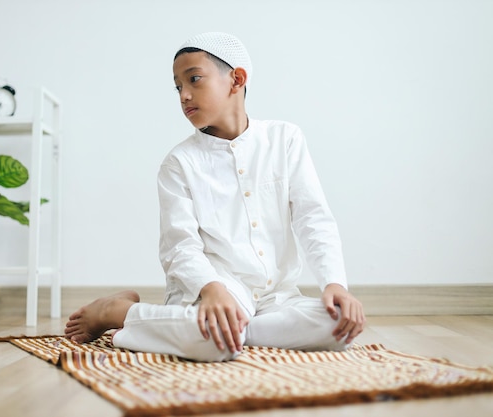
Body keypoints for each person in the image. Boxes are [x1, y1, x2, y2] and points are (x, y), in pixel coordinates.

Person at [65, 32, 365, 362]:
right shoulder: (179, 163)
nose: (184, 95)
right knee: (213, 337)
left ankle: (230, 332)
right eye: (178, 86)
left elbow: (312, 217)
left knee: (339, 323)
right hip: (214, 290)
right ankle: (117, 312)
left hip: (276, 297)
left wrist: (335, 283)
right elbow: (179, 246)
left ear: (236, 79)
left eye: (194, 79)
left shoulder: (285, 139)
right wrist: (211, 289)